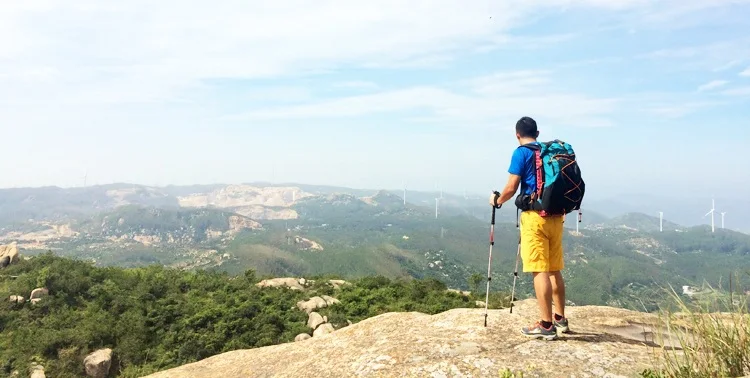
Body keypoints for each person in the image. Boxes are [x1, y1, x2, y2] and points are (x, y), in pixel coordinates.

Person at [489, 116, 569, 340]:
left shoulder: (521, 152)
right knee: (554, 269)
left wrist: (497, 200)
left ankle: (545, 325)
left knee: (540, 270)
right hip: (556, 217)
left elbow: (511, 187)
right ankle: (561, 319)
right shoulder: (548, 152)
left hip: (535, 218)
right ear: (538, 133)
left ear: (517, 135)